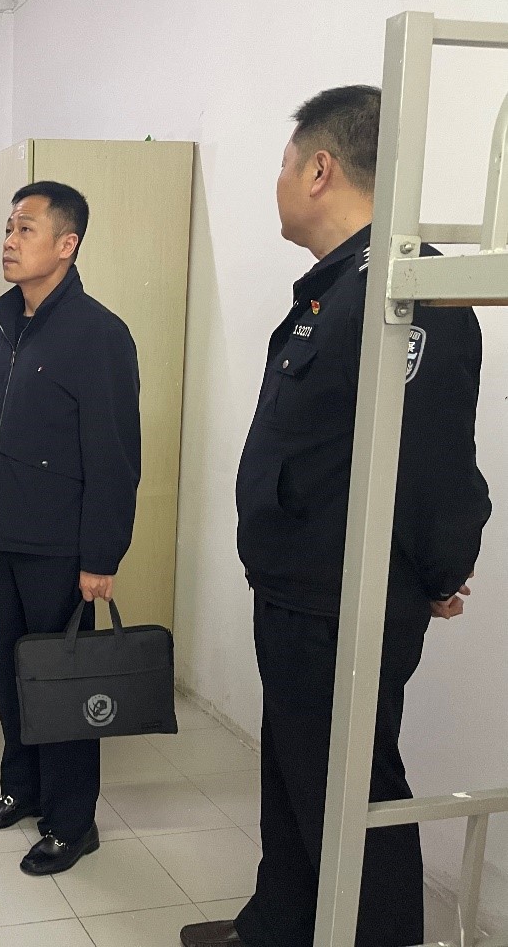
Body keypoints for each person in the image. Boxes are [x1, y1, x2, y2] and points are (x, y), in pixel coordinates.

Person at [181, 86, 491, 947]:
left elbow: (429, 461)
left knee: (352, 795)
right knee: (294, 776)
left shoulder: (407, 291)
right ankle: (278, 924)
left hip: (346, 599)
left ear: (318, 169)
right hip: (300, 589)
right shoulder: (341, 287)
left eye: (283, 164)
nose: (277, 182)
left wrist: (437, 570)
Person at [0, 181, 141, 876]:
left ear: (66, 244)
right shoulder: (6, 329)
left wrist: (101, 556)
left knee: (62, 688)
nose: (9, 241)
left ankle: (71, 821)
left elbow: (115, 458)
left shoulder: (99, 334)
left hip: (62, 549)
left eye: (25, 229)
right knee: (13, 673)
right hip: (5, 538)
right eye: (8, 228)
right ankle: (23, 788)